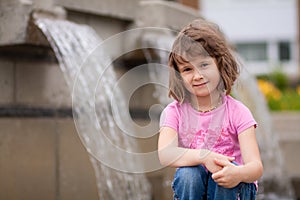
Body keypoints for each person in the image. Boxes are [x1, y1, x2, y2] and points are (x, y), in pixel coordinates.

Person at [158, 19, 263, 200]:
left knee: (223, 176)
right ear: (179, 75)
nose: (197, 75)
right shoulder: (174, 112)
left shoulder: (238, 112)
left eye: (204, 65)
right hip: (196, 188)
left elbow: (256, 167)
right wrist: (204, 156)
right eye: (187, 69)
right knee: (187, 174)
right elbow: (166, 154)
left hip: (233, 189)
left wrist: (238, 174)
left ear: (219, 64)